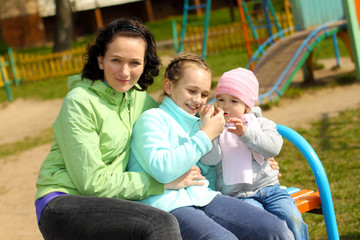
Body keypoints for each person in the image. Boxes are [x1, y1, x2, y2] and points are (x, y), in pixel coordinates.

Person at [34, 17, 207, 240]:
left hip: (113, 201)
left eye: (134, 63)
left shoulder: (140, 101)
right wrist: (159, 183)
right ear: (100, 60)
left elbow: (175, 128)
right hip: (64, 201)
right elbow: (92, 183)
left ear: (145, 64)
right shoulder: (78, 102)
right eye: (116, 60)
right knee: (159, 223)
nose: (125, 72)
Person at [128, 53, 295, 240]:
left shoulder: (200, 123)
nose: (198, 100)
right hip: (168, 204)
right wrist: (205, 135)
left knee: (276, 230)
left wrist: (259, 164)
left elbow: (214, 167)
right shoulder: (152, 119)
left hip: (205, 197)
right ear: (168, 86)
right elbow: (163, 170)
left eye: (205, 94)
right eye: (191, 91)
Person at [200, 67, 309, 240]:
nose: (225, 105)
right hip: (239, 196)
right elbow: (210, 159)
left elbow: (273, 148)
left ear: (247, 106)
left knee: (292, 219)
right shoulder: (217, 128)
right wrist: (209, 132)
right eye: (220, 99)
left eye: (234, 101)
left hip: (270, 188)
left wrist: (246, 134)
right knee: (263, 227)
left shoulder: (261, 124)